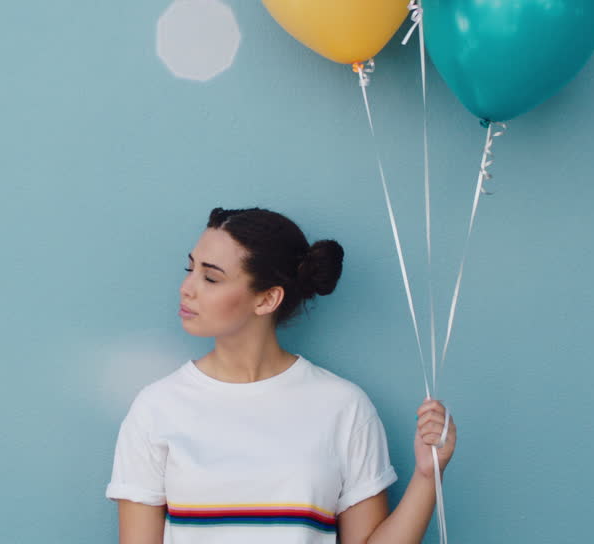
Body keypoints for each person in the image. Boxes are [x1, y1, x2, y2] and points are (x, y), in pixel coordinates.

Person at [107, 207, 456, 544]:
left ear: (267, 299)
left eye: (211, 277)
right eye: (190, 268)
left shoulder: (343, 406)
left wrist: (428, 476)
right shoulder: (156, 407)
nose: (187, 287)